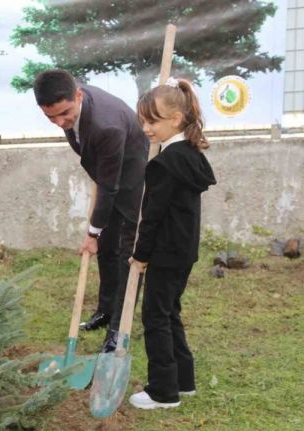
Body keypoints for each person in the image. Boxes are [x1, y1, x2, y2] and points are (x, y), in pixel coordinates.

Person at [33, 69, 149, 351]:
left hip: (134, 181)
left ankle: (117, 329)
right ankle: (106, 311)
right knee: (107, 251)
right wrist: (99, 235)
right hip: (108, 174)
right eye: (51, 117)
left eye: (65, 114)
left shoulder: (105, 125)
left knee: (126, 254)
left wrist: (92, 233)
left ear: (79, 96)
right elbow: (103, 177)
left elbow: (110, 186)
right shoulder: (70, 102)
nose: (60, 122)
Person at [128, 78, 216, 410]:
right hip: (184, 251)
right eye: (143, 121)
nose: (146, 128)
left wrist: (139, 256)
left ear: (176, 119)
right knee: (170, 312)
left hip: (165, 253)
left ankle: (163, 391)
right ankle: (184, 380)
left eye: (152, 121)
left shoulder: (165, 164)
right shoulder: (189, 155)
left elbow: (152, 217)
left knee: (155, 316)